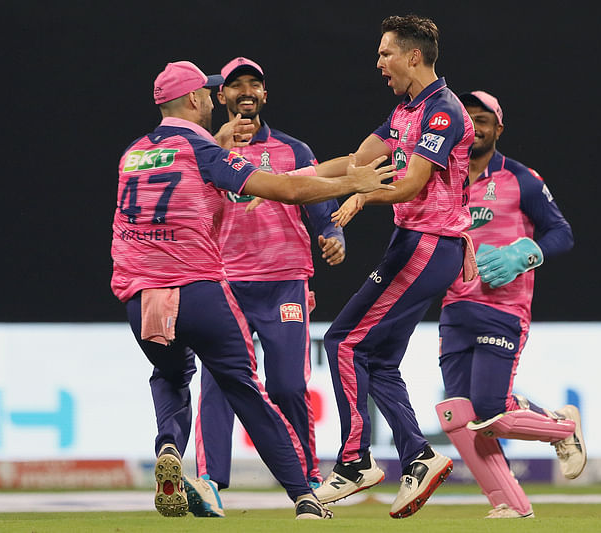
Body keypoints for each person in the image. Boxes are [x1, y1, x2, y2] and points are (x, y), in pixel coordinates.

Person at [110, 60, 395, 520]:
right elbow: (286, 187)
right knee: (245, 388)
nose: (213, 96)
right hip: (203, 288)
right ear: (195, 101)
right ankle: (303, 494)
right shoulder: (205, 150)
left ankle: (168, 446)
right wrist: (354, 182)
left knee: (172, 376)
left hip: (142, 295)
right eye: (208, 91)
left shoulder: (132, 153)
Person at [311, 15, 475, 519]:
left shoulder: (443, 111)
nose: (379, 63)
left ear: (413, 56)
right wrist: (283, 180)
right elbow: (358, 161)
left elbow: (409, 185)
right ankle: (419, 457)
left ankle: (355, 462)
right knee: (378, 361)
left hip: (429, 242)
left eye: (386, 54)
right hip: (415, 243)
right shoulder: (406, 111)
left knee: (343, 341)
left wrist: (361, 193)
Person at [190, 56, 343, 508]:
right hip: (224, 284)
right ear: (221, 97)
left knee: (289, 387)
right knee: (218, 383)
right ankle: (209, 483)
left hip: (284, 283)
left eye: (254, 84)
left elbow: (320, 204)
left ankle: (306, 479)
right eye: (236, 85)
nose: (245, 91)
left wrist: (332, 234)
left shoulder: (294, 151)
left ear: (265, 94)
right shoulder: (205, 152)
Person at [434, 90, 585, 519]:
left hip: (503, 306)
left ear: (498, 128)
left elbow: (561, 233)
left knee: (489, 410)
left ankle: (563, 428)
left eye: (483, 120)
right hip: (454, 309)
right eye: (468, 119)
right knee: (457, 415)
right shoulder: (442, 179)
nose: (475, 127)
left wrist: (524, 253)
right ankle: (509, 504)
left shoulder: (522, 179)